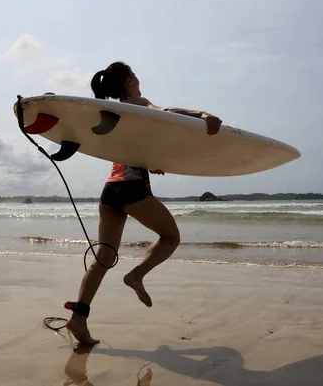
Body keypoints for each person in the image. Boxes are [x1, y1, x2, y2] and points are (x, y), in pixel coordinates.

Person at [65, 61, 222, 345]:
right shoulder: (138, 103)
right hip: (131, 188)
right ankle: (136, 275)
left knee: (104, 258)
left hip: (111, 190)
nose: (138, 79)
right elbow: (168, 113)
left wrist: (150, 164)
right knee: (171, 237)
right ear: (128, 82)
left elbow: (130, 150)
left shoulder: (114, 113)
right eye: (134, 75)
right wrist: (201, 114)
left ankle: (79, 318)